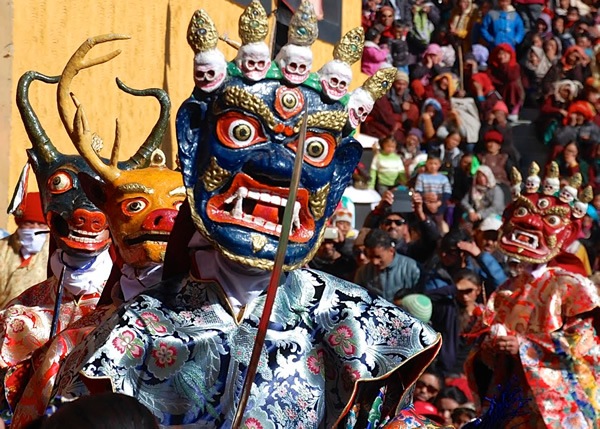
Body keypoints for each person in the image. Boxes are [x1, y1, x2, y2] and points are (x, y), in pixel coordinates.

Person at [44, 5, 443, 428]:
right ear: (195, 147)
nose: (276, 167)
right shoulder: (134, 331)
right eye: (241, 133)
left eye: (312, 150)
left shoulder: (360, 327)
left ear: (340, 173)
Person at [465, 164, 600, 427]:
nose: (530, 225)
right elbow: (486, 349)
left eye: (548, 221)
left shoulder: (572, 286)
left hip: (555, 404)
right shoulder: (506, 289)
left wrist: (526, 347)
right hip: (512, 399)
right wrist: (490, 345)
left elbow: (587, 345)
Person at [0, 193, 49, 308]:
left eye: (41, 224)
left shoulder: (56, 253)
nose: (35, 229)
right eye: (30, 223)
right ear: (20, 224)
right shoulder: (3, 248)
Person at [354, 228, 421, 301]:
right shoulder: (363, 272)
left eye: (378, 257)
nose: (374, 262)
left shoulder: (412, 269)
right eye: (370, 257)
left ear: (391, 251)